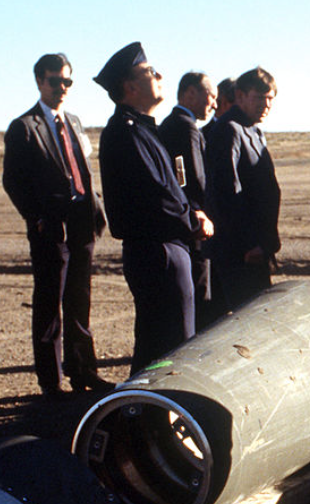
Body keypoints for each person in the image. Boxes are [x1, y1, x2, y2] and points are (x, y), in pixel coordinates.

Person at [2, 53, 113, 400]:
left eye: (67, 81)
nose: (61, 88)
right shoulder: (23, 127)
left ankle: (84, 371)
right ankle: (51, 382)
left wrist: (94, 207)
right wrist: (36, 219)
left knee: (80, 300)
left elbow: (83, 166)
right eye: (55, 81)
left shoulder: (75, 122)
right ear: (39, 82)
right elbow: (13, 181)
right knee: (49, 304)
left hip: (81, 222)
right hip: (51, 229)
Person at [94, 42, 204, 374]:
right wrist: (193, 220)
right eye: (149, 72)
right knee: (169, 351)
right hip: (157, 252)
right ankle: (150, 419)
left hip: (167, 249)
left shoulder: (143, 130)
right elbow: (156, 198)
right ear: (130, 86)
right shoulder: (125, 134)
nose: (159, 75)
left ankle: (148, 420)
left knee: (164, 347)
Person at [204, 67, 282, 312]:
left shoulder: (252, 129)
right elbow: (226, 193)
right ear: (239, 96)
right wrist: (249, 244)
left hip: (257, 247)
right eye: (259, 97)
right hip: (241, 251)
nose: (266, 104)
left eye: (270, 99)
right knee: (244, 317)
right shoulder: (229, 130)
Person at [159, 71, 223, 330]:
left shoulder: (168, 124)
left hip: (177, 226)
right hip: (193, 231)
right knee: (199, 301)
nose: (215, 105)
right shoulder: (185, 127)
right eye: (211, 96)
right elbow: (193, 180)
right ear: (190, 93)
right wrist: (200, 213)